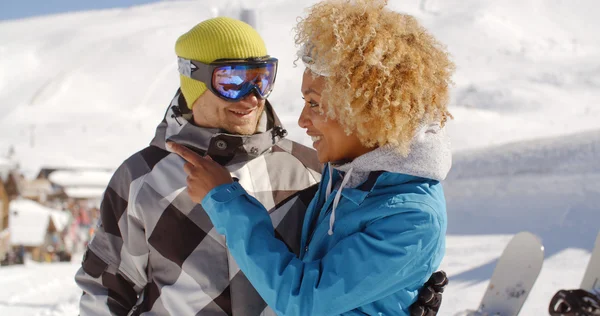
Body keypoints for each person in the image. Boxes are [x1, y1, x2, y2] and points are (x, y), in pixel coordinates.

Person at [75, 16, 445, 316]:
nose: (252, 97)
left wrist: (395, 296)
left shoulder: (315, 169)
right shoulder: (142, 177)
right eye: (232, 80)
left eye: (261, 78)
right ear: (194, 81)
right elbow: (105, 291)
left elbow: (314, 289)